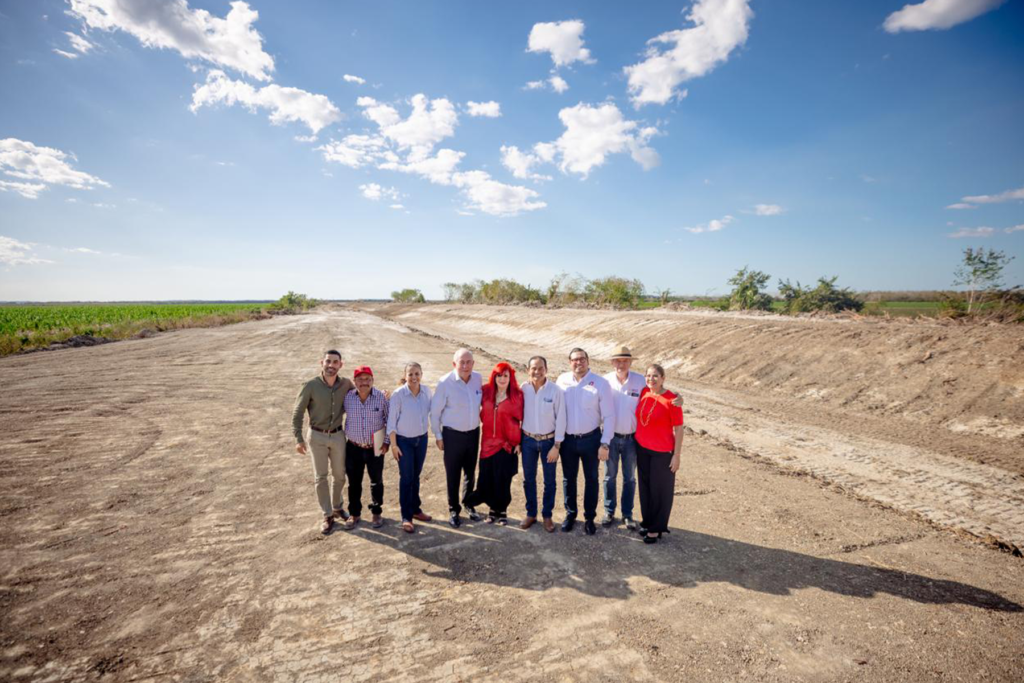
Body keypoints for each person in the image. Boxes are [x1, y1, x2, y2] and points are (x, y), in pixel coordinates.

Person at [601, 346, 682, 530]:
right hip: (611, 438)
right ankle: (609, 511)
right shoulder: (605, 381)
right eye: (618, 360)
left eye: (625, 361)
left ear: (630, 362)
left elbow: (659, 391)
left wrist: (679, 397)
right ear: (613, 362)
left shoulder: (640, 381)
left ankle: (627, 514)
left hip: (632, 440)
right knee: (609, 476)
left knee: (630, 478)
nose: (621, 364)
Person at [292, 350, 355, 535]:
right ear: (322, 362)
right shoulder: (310, 385)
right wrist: (298, 438)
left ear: (340, 365)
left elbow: (361, 396)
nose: (331, 365)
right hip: (317, 436)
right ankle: (327, 514)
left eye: (335, 362)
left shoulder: (346, 384)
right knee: (320, 477)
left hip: (337, 436)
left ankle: (337, 507)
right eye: (328, 361)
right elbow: (297, 412)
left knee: (340, 475)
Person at [556, 348, 616, 536]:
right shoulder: (562, 381)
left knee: (591, 479)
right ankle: (571, 514)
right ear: (569, 362)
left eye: (582, 359)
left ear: (588, 361)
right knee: (568, 478)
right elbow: (557, 412)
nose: (578, 363)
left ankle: (589, 518)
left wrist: (605, 443)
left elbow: (609, 415)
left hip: (591, 439)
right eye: (574, 360)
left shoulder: (600, 383)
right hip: (568, 441)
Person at [465, 362, 524, 525]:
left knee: (503, 479)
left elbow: (523, 420)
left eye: (506, 375)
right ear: (494, 376)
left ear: (510, 377)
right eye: (499, 375)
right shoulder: (486, 391)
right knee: (486, 478)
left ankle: (502, 510)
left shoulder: (517, 396)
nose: (502, 379)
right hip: (487, 443)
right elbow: (467, 396)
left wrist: (519, 443)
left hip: (507, 444)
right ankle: (492, 509)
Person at [431, 348, 483, 527]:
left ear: (473, 364)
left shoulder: (478, 379)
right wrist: (438, 435)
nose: (466, 366)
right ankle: (454, 509)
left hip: (473, 433)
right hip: (452, 435)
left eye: (469, 362)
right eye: (462, 362)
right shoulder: (445, 382)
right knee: (453, 474)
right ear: (454, 364)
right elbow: (435, 412)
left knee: (470, 472)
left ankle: (468, 503)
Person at [634, 364, 684, 545]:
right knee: (645, 488)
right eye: (648, 376)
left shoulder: (672, 400)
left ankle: (656, 528)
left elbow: (679, 429)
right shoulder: (644, 393)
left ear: (663, 378)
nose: (651, 379)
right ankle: (647, 522)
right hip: (642, 448)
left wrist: (676, 455)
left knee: (660, 491)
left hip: (662, 452)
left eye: (655, 376)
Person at [519, 355, 566, 532]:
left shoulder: (555, 390)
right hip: (528, 441)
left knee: (549, 481)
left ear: (546, 369)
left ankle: (547, 515)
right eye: (533, 368)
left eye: (540, 368)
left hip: (549, 442)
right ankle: (531, 513)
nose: (537, 372)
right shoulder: (523, 389)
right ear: (528, 370)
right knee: (528, 479)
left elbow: (561, 418)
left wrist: (557, 445)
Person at [387, 362, 433, 533]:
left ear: (421, 374)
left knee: (416, 477)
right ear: (405, 376)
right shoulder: (398, 395)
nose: (414, 377)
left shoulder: (427, 391)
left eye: (417, 374)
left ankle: (415, 509)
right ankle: (406, 517)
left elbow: (435, 411)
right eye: (410, 374)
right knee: (406, 478)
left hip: (421, 440)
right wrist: (393, 445)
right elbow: (391, 423)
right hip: (404, 442)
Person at [343, 366, 390, 530]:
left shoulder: (381, 398)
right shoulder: (348, 397)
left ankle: (376, 512)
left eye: (367, 379)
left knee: (376, 481)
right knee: (354, 482)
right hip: (353, 446)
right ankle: (354, 513)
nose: (364, 382)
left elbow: (389, 419)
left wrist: (386, 442)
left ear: (373, 380)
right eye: (360, 379)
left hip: (375, 445)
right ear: (354, 381)